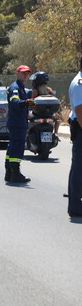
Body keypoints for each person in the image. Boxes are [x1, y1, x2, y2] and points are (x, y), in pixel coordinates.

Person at [5, 65, 35, 183]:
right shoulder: (15, 87)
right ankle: (15, 173)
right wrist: (25, 103)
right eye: (23, 73)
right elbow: (15, 102)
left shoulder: (21, 87)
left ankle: (9, 173)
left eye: (27, 73)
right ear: (17, 73)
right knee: (17, 148)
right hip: (17, 123)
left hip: (18, 121)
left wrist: (28, 108)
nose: (25, 75)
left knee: (12, 147)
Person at [68, 59, 82, 217]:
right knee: (79, 167)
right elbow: (79, 110)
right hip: (80, 128)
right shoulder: (80, 83)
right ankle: (76, 206)